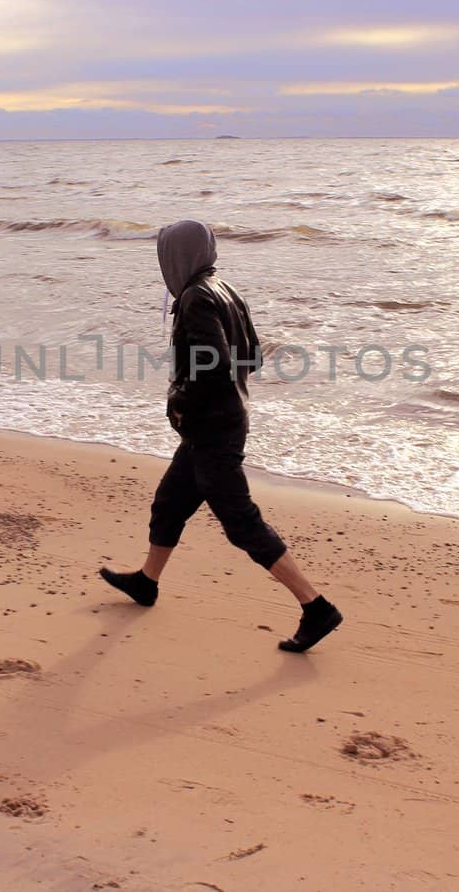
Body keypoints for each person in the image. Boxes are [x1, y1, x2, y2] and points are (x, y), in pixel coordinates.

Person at [99, 219, 343, 653]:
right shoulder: (223, 288)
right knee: (170, 504)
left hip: (211, 428)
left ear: (174, 256)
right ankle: (147, 582)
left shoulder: (195, 298)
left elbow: (210, 365)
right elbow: (251, 357)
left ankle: (316, 606)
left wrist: (183, 401)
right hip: (222, 421)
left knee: (240, 522)